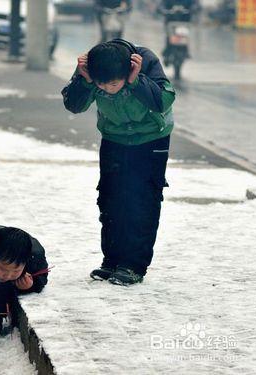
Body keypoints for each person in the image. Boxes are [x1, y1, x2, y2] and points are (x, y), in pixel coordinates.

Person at [61, 39, 175, 286]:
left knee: (141, 201)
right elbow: (74, 105)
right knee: (110, 199)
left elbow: (163, 100)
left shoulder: (145, 61)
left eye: (114, 83)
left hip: (151, 139)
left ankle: (133, 265)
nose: (108, 89)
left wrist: (136, 80)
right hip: (114, 138)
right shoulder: (93, 66)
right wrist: (85, 80)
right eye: (103, 85)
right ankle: (112, 261)